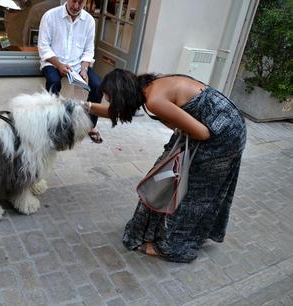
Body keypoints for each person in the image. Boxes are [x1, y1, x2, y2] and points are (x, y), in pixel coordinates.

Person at [84, 69, 246, 262]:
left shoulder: (154, 100)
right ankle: (159, 231)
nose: (111, 104)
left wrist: (179, 138)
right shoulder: (148, 85)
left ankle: (173, 246)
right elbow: (119, 112)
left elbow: (202, 133)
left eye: (111, 100)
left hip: (222, 135)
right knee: (165, 178)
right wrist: (85, 106)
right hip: (220, 123)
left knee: (191, 191)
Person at [38, 0, 104, 143]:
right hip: (53, 61)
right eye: (74, 1)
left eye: (80, 2)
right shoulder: (50, 16)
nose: (76, 6)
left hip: (78, 64)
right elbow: (43, 46)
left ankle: (91, 125)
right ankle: (51, 123)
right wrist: (59, 64)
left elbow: (88, 50)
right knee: (54, 82)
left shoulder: (89, 21)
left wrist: (84, 69)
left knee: (98, 86)